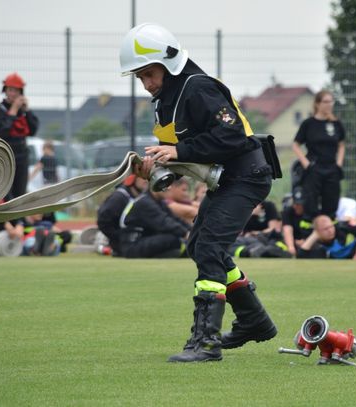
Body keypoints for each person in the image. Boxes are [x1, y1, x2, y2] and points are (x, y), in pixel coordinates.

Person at [121, 23, 278, 362]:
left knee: (209, 246)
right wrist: (156, 164)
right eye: (140, 77)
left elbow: (233, 137)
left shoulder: (198, 88)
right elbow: (184, 149)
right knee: (198, 244)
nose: (146, 83)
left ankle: (206, 343)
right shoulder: (169, 98)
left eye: (149, 74)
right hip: (228, 178)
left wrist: (177, 152)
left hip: (247, 175)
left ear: (169, 62)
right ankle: (254, 321)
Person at [292, 90, 345, 220]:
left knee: (331, 204)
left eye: (331, 101)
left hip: (331, 168)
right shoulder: (309, 124)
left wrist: (338, 164)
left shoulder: (336, 124)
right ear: (317, 104)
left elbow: (342, 144)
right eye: (325, 102)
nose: (329, 104)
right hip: (314, 169)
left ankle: (329, 234)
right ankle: (308, 233)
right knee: (310, 205)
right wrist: (306, 164)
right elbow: (295, 145)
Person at [0, 72, 39, 199]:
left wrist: (27, 111)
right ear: (5, 91)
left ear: (20, 92)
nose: (13, 94)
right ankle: (9, 219)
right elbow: (0, 131)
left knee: (19, 193)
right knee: (5, 193)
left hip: (22, 156)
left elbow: (33, 130)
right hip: (4, 155)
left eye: (16, 91)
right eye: (10, 90)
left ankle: (19, 219)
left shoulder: (23, 112)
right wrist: (13, 111)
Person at [120, 188, 191, 258]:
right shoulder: (144, 202)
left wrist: (193, 231)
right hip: (133, 246)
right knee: (172, 238)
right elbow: (164, 222)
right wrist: (185, 233)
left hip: (144, 241)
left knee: (176, 239)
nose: (169, 188)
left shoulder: (159, 202)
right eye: (165, 184)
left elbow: (175, 219)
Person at [97, 174, 148, 256]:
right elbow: (103, 221)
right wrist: (120, 237)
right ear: (131, 179)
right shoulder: (119, 198)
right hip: (123, 244)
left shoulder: (141, 197)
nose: (146, 180)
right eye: (143, 177)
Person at [281, 187, 313, 257]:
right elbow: (287, 230)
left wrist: (305, 241)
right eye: (296, 204)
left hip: (311, 242)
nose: (297, 206)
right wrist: (291, 247)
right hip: (293, 242)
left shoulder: (312, 211)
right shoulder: (287, 212)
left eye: (300, 204)